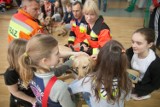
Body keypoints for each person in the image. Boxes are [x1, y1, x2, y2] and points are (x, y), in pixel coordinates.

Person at [18, 34, 87, 107]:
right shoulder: (60, 87)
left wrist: (73, 58)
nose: (60, 55)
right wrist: (76, 97)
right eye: (57, 53)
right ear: (45, 60)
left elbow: (56, 71)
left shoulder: (31, 71)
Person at [69, 40, 132, 107]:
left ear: (99, 61)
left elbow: (69, 90)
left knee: (85, 93)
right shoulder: (127, 80)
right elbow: (127, 98)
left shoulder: (89, 80)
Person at [126, 28, 160, 100]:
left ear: (150, 44)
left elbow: (155, 85)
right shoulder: (132, 51)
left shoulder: (156, 63)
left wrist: (136, 88)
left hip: (142, 84)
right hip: (132, 77)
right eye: (132, 42)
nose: (133, 46)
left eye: (139, 43)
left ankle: (140, 94)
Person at [4, 39, 36, 107]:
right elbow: (15, 92)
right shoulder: (10, 74)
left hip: (34, 94)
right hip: (21, 100)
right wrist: (32, 100)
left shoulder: (30, 65)